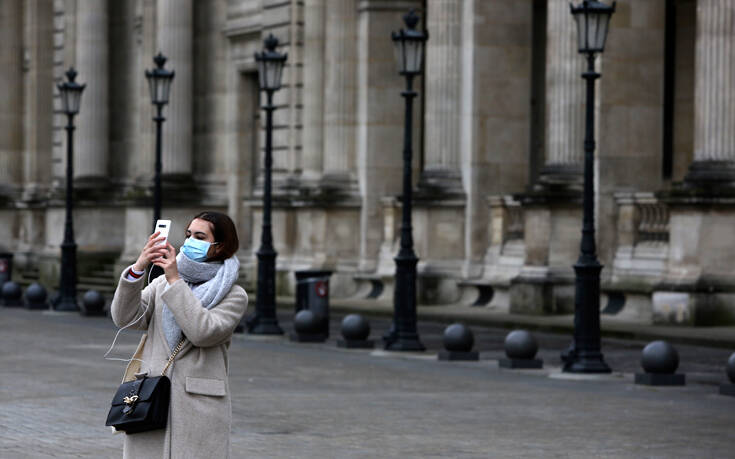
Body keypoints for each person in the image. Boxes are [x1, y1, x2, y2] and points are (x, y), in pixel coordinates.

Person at [110, 211, 247, 459]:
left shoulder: (233, 295)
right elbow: (125, 318)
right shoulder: (161, 284)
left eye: (200, 236)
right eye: (188, 235)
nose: (189, 241)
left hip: (198, 404)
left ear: (220, 246)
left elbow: (203, 333)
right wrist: (139, 268)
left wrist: (175, 280)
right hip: (150, 398)